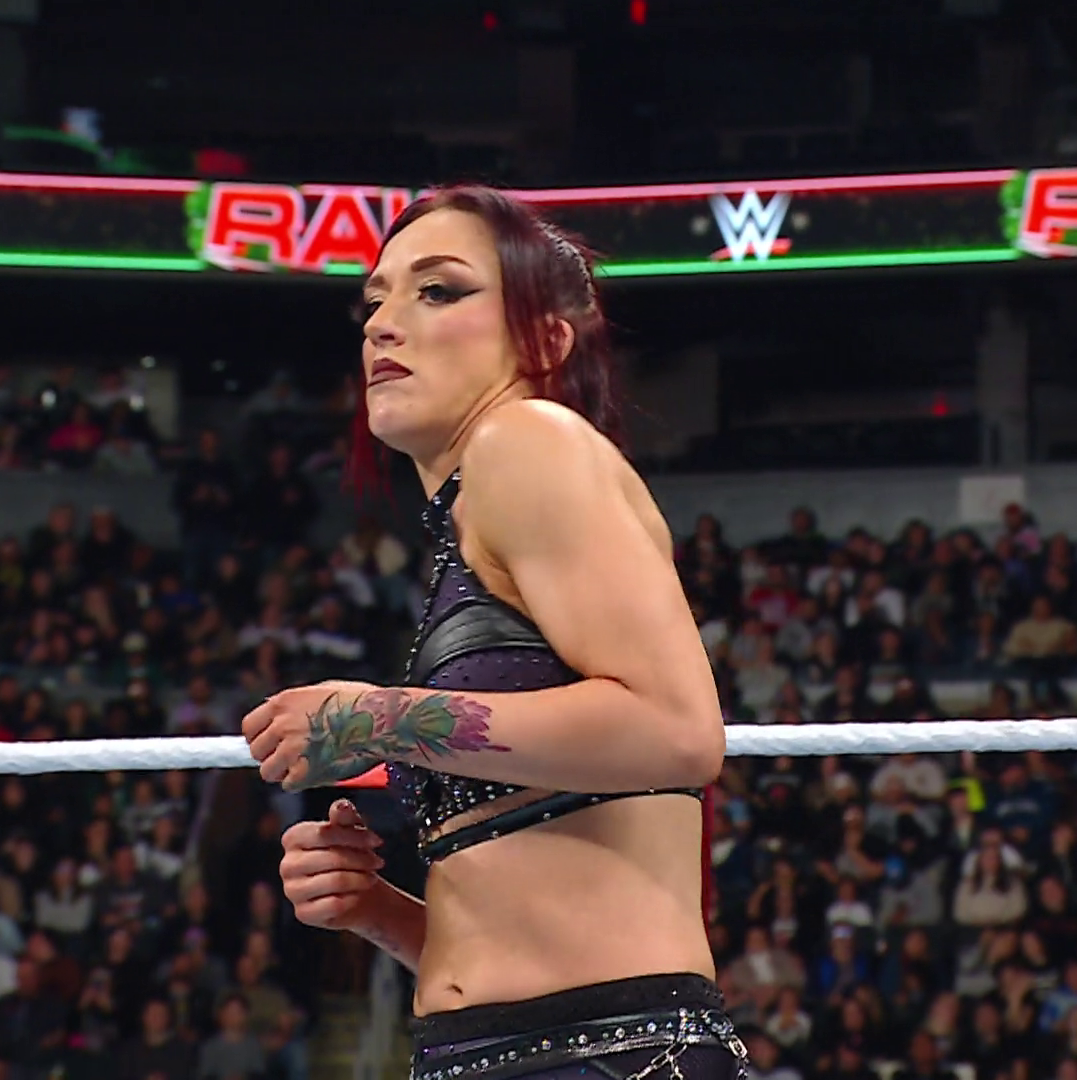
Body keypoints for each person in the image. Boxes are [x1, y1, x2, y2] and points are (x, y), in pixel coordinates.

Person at [244, 186, 737, 1080]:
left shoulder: (527, 440)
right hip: (514, 1050)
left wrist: (376, 716)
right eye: (374, 301)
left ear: (544, 340)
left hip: (606, 1054)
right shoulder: (472, 512)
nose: (383, 324)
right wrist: (375, 909)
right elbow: (536, 931)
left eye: (438, 291)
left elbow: (677, 730)